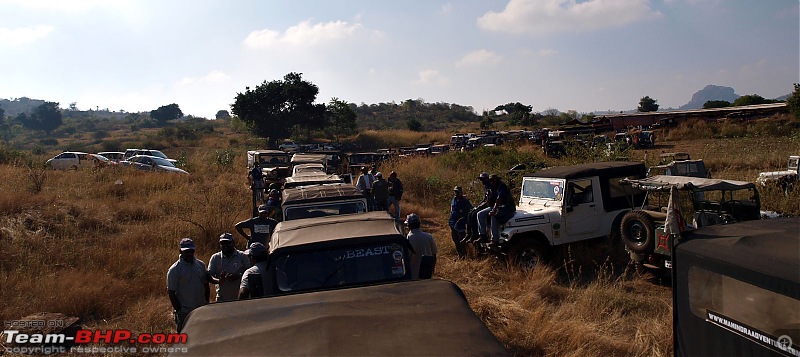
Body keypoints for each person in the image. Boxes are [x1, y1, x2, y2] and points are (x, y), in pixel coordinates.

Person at [167, 238, 218, 332]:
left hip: (200, 310)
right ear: (181, 251)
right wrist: (179, 311)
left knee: (202, 335)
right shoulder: (175, 269)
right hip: (185, 312)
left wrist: (206, 303)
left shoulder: (200, 265)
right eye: (186, 252)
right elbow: (171, 292)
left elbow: (206, 285)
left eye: (191, 251)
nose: (189, 254)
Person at [207, 233, 251, 302]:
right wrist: (218, 280)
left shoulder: (242, 256)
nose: (225, 245)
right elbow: (209, 275)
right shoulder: (215, 257)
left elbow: (250, 273)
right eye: (222, 243)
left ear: (233, 243)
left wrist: (238, 275)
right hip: (221, 299)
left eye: (228, 243)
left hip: (239, 299)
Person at [404, 213, 437, 280]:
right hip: (427, 271)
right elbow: (434, 254)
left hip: (413, 273)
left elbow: (406, 257)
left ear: (409, 225)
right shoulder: (428, 236)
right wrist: (432, 268)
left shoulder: (409, 238)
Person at [487, 174, 516, 247]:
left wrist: (493, 210)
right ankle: (487, 236)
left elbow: (499, 199)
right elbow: (491, 201)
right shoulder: (494, 187)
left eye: (492, 180)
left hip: (508, 206)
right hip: (500, 206)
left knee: (495, 215)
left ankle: (495, 239)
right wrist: (488, 196)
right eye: (490, 180)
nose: (491, 182)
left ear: (496, 180)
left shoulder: (501, 186)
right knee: (484, 215)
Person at [448, 186, 472, 258]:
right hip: (453, 222)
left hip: (460, 223)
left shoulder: (465, 201)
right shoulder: (454, 199)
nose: (456, 193)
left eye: (457, 192)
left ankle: (466, 254)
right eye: (455, 191)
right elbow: (452, 209)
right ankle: (460, 255)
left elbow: (469, 211)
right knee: (455, 239)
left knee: (461, 239)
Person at [472, 172, 496, 243]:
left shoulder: (490, 187)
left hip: (492, 206)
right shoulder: (486, 187)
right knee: (472, 213)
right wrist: (477, 206)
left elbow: (488, 201)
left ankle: (482, 235)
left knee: (478, 214)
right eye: (481, 179)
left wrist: (479, 207)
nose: (481, 181)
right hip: (488, 205)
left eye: (483, 179)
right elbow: (484, 199)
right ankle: (472, 234)